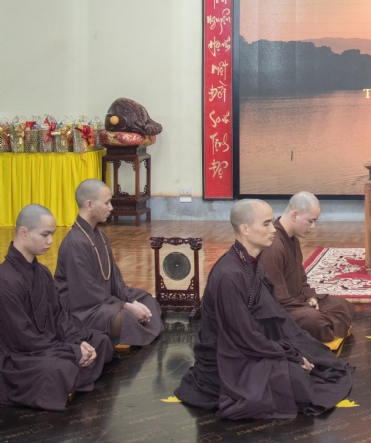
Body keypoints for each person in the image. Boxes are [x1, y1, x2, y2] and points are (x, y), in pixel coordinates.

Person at [175, 199, 353, 419]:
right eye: (267, 224)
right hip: (225, 357)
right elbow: (241, 335)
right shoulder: (228, 275)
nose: (273, 230)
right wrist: (289, 355)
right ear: (245, 229)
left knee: (314, 358)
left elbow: (272, 314)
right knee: (296, 379)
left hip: (248, 344)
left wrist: (292, 349)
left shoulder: (251, 264)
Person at [0, 205, 113, 411]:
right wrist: (71, 350)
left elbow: (60, 317)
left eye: (51, 235)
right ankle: (71, 372)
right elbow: (22, 338)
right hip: (20, 355)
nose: (50, 241)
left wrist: (78, 342)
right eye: (45, 235)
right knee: (56, 367)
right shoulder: (5, 280)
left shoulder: (42, 272)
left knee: (100, 341)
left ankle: (73, 371)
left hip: (48, 344)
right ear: (23, 232)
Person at [54, 179, 162, 346]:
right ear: (89, 204)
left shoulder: (101, 236)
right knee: (127, 316)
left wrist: (131, 301)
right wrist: (126, 306)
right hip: (84, 311)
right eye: (106, 202)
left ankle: (128, 333)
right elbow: (86, 293)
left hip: (105, 302)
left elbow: (115, 280)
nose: (111, 208)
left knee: (146, 299)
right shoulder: (74, 243)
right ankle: (121, 334)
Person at [258, 191, 354, 346]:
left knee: (342, 305)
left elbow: (301, 279)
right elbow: (277, 299)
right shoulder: (274, 247)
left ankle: (324, 325)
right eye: (310, 221)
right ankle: (323, 328)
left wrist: (311, 298)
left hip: (299, 303)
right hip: (283, 310)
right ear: (295, 215)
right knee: (315, 321)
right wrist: (306, 306)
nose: (313, 226)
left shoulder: (292, 240)